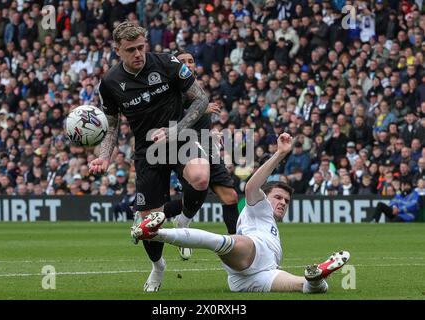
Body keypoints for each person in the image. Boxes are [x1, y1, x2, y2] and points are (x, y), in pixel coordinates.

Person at [132, 133, 350, 293]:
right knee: (219, 241)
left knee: (308, 286)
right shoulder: (260, 207)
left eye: (286, 200)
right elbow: (251, 187)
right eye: (278, 197)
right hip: (253, 251)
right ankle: (154, 234)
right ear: (265, 197)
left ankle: (316, 279)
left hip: (251, 277)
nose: (283, 202)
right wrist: (280, 154)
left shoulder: (271, 223)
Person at [89, 21, 210, 292]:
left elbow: (201, 99)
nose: (138, 54)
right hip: (147, 151)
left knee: (201, 178)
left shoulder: (167, 63)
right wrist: (104, 157)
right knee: (149, 223)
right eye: (130, 49)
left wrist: (177, 128)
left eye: (141, 47)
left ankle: (185, 219)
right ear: (117, 50)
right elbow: (111, 123)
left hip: (180, 138)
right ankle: (158, 266)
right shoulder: (110, 82)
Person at [161, 49, 240, 260]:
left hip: (207, 146)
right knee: (196, 193)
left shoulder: (198, 89)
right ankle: (160, 216)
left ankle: (237, 246)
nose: (188, 64)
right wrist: (199, 111)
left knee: (230, 197)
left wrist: (212, 133)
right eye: (182, 61)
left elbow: (202, 122)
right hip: (184, 147)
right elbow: (171, 120)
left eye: (191, 61)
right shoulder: (171, 90)